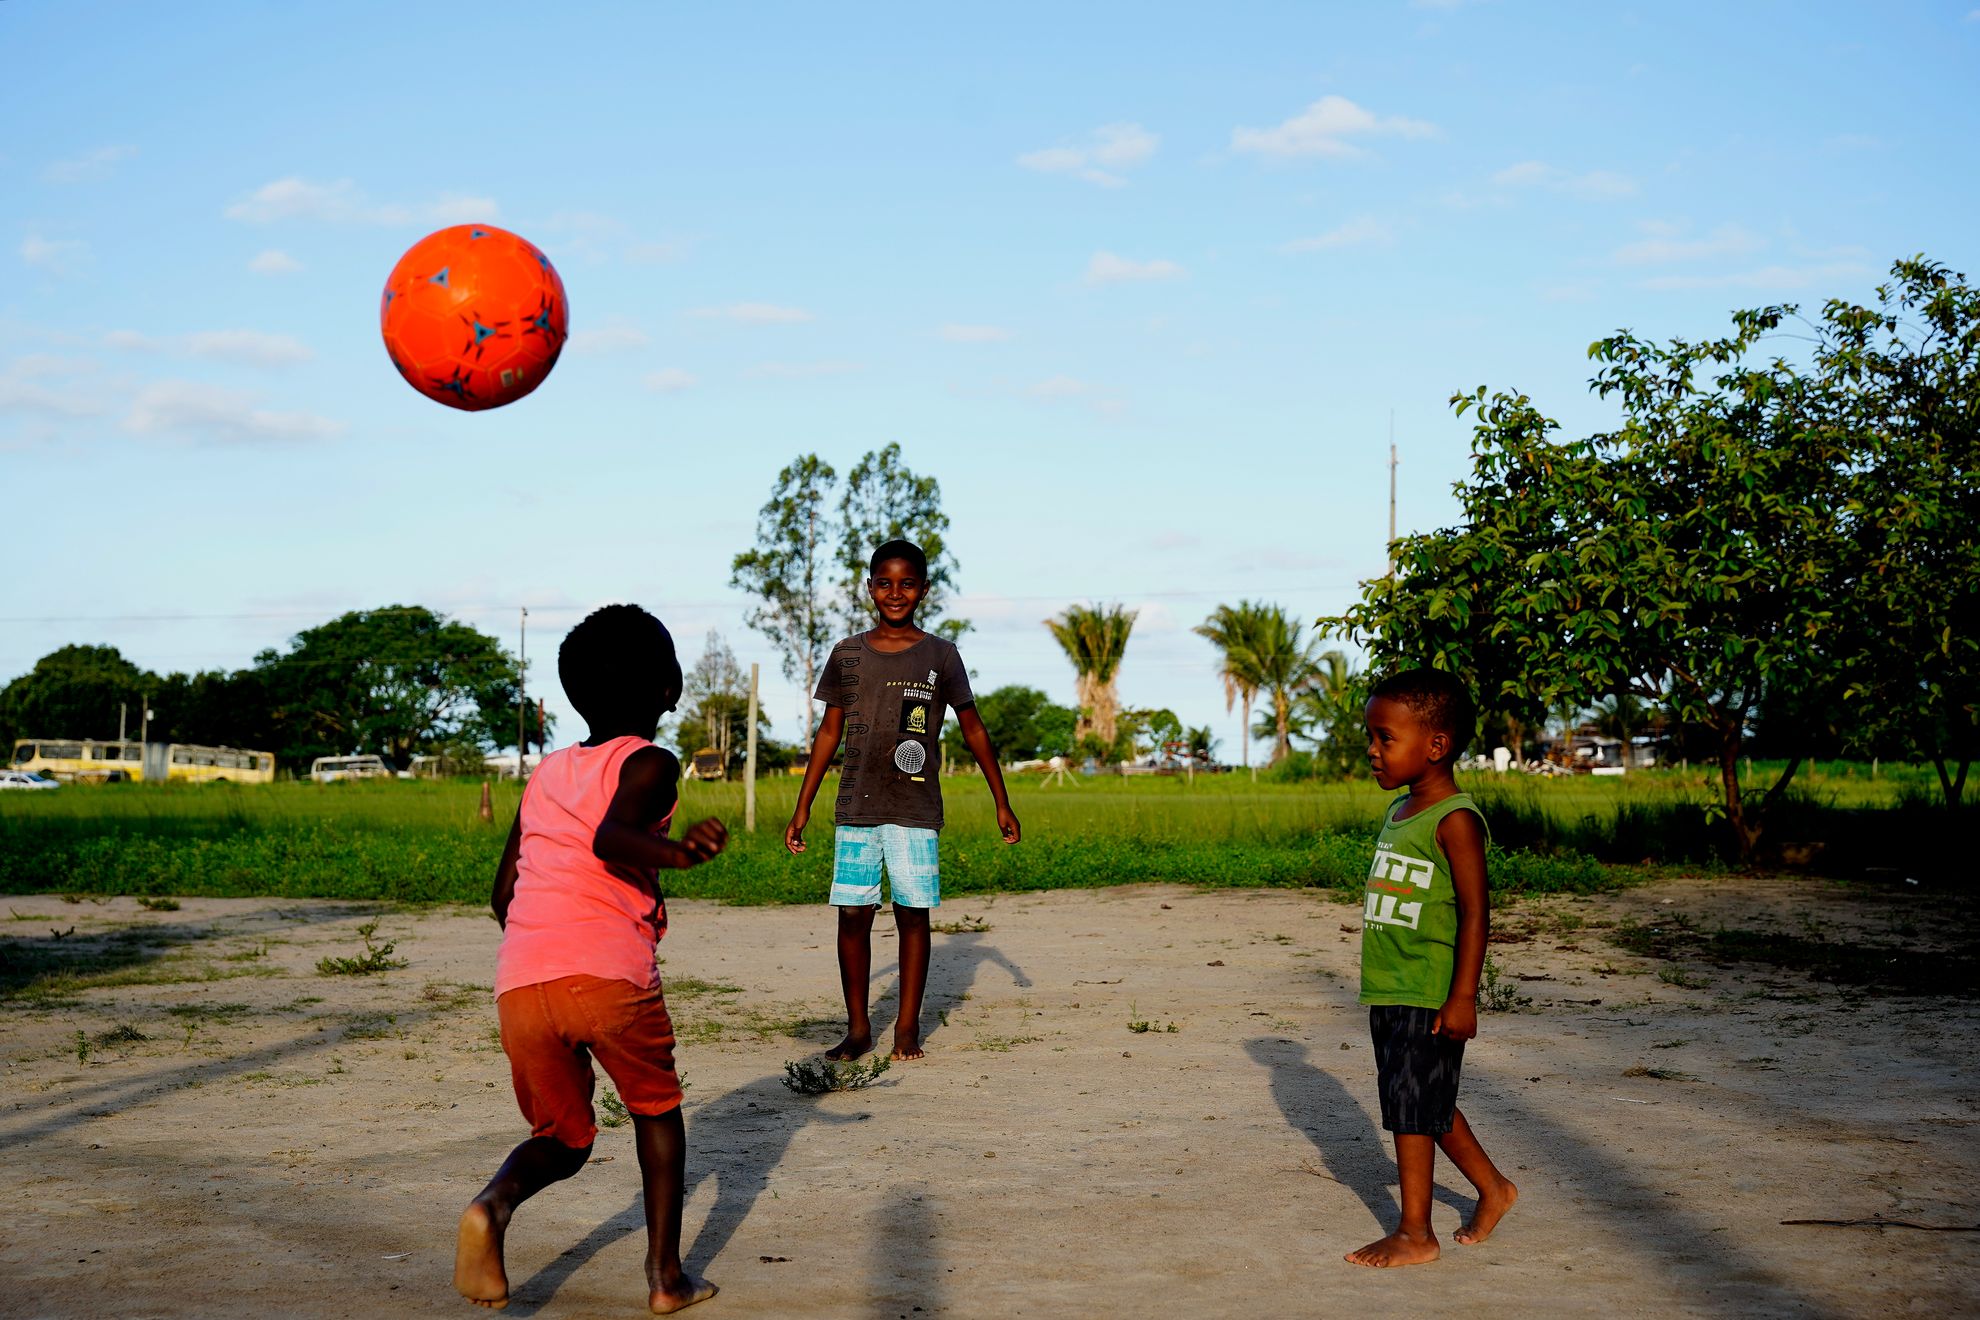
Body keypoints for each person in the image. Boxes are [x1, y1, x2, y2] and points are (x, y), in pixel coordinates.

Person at [454, 604, 727, 1314]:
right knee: (656, 1112)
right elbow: (613, 838)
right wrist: (677, 852)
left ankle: (494, 1203)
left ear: (575, 693)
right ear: (668, 688)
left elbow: (502, 893)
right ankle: (667, 1279)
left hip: (521, 983)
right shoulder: (651, 762)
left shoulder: (546, 773)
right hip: (608, 976)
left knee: (564, 1138)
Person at [785, 539, 1020, 1062]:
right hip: (857, 807)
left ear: (924, 590)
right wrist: (803, 805)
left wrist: (1000, 800)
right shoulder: (847, 653)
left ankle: (907, 1027)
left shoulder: (942, 655)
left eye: (907, 583)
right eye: (885, 583)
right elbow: (828, 733)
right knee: (853, 914)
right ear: (869, 588)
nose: (896, 593)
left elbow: (973, 728)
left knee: (913, 914)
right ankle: (859, 1027)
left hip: (914, 808)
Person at [1345, 668, 1518, 1268]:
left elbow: (1475, 913)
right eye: (1371, 736)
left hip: (1430, 988)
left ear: (1436, 745)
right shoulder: (1401, 810)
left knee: (1414, 1107)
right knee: (1419, 1101)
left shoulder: (1455, 819)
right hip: (1390, 985)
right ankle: (1494, 1189)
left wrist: (1463, 995)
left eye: (1385, 738)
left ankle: (1416, 1232)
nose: (1372, 749)